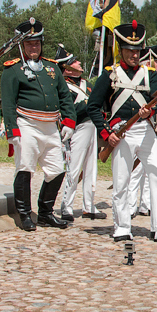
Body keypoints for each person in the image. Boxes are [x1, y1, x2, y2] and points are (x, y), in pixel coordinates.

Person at [88, 22, 157, 244]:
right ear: (121, 50)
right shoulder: (109, 74)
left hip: (146, 131)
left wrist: (150, 110)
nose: (134, 55)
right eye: (130, 50)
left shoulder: (148, 73)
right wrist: (106, 134)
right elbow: (93, 107)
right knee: (121, 180)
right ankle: (122, 226)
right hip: (121, 133)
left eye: (137, 50)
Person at [1, 18, 76, 231]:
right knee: (25, 168)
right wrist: (12, 130)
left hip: (50, 126)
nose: (33, 47)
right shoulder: (12, 70)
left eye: (36, 43)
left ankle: (45, 212)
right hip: (27, 124)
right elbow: (7, 102)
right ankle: (24, 214)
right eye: (29, 44)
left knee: (56, 169)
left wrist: (69, 121)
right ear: (22, 46)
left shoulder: (52, 68)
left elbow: (65, 96)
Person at [55, 45, 105, 221]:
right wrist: (91, 106)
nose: (78, 63)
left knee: (91, 168)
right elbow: (70, 110)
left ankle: (89, 206)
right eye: (74, 62)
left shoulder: (87, 84)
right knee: (74, 169)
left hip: (92, 127)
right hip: (78, 128)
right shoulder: (64, 87)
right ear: (66, 68)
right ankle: (66, 206)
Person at [126, 45, 157, 218]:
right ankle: (128, 206)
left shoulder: (152, 81)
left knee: (152, 171)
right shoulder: (140, 79)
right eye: (156, 63)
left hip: (150, 127)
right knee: (135, 171)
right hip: (137, 128)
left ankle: (146, 205)